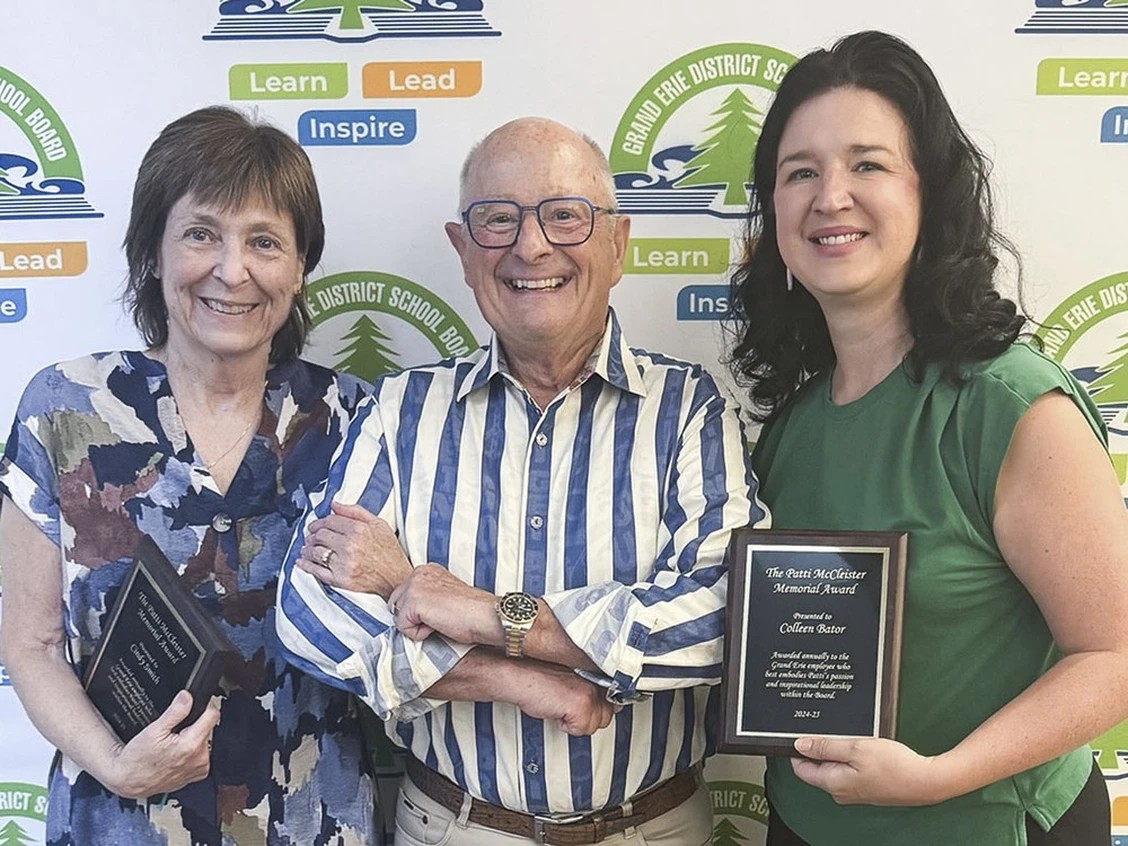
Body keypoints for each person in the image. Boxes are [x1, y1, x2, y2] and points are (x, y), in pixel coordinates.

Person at [275, 116, 765, 845]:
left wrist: (484, 612)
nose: (531, 245)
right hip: (453, 826)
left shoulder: (687, 408)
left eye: (564, 215)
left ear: (619, 243)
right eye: (497, 220)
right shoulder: (404, 409)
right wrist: (517, 678)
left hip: (655, 828)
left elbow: (731, 617)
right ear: (465, 253)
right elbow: (311, 611)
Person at [727, 30, 1128, 846]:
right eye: (800, 172)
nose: (830, 195)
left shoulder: (1007, 405)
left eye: (867, 164)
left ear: (929, 196)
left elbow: (1114, 654)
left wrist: (938, 776)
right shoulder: (794, 423)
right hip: (804, 828)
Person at [0, 106, 378, 845]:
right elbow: (31, 645)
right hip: (118, 818)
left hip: (310, 820)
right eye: (201, 233)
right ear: (152, 252)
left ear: (300, 268)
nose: (231, 270)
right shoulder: (65, 410)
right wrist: (116, 764)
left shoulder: (355, 420)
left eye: (264, 242)